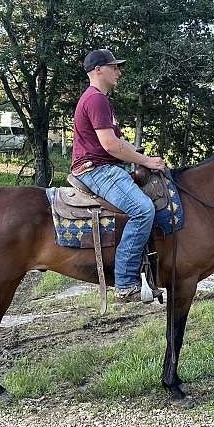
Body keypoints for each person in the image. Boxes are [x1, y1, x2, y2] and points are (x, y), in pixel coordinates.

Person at [71, 49, 166, 300]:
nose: (119, 72)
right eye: (114, 67)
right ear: (98, 70)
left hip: (102, 166)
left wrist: (138, 153)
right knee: (143, 210)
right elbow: (110, 146)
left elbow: (116, 140)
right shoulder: (96, 99)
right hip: (97, 170)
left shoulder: (100, 99)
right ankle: (125, 283)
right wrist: (147, 161)